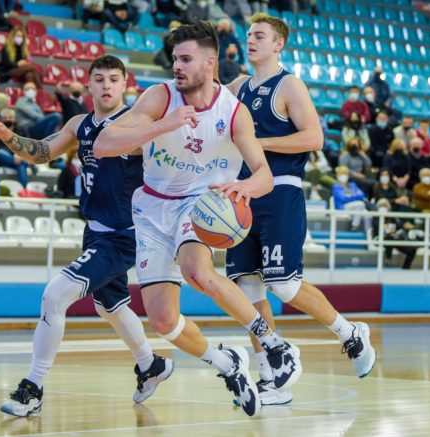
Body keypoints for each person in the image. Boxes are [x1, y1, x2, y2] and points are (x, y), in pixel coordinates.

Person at [95, 21, 303, 417]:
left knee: (197, 270)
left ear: (210, 63)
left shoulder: (234, 112)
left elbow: (263, 175)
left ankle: (273, 344)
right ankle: (228, 363)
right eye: (175, 58)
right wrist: (164, 124)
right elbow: (104, 144)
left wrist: (243, 188)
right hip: (152, 208)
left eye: (186, 59)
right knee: (162, 320)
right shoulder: (160, 97)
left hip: (201, 204)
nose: (177, 66)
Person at [0, 55, 174, 417]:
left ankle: (33, 388)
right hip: (95, 230)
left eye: (113, 79)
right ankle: (150, 365)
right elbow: (43, 152)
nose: (106, 85)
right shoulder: (79, 124)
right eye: (99, 79)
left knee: (55, 296)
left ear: (125, 84)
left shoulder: (136, 124)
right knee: (110, 307)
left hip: (125, 234)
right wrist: (7, 136)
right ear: (89, 84)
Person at [225, 13, 375, 404]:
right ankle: (271, 374)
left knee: (283, 285)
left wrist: (257, 143)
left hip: (280, 189)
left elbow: (314, 137)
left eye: (260, 35)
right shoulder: (238, 86)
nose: (251, 40)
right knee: (247, 289)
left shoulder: (289, 84)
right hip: (243, 194)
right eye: (249, 34)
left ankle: (350, 333)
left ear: (279, 44)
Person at [0, 108, 35, 188]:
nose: (8, 120)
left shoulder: (21, 130)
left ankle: (25, 190)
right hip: (1, 159)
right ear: (0, 120)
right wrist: (16, 154)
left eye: (10, 117)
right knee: (1, 153)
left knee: (21, 166)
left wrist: (19, 155)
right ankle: (27, 163)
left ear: (14, 119)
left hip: (18, 159)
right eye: (5, 118)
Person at [372, 198, 417, 269]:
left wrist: (404, 226)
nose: (384, 208)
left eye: (385, 206)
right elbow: (377, 228)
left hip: (394, 238)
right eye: (381, 206)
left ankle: (406, 268)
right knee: (389, 238)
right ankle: (388, 260)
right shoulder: (375, 217)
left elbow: (398, 226)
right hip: (380, 238)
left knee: (412, 250)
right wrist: (386, 227)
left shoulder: (392, 216)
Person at [333, 166, 371, 232]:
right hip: (343, 208)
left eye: (345, 174)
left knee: (368, 215)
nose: (344, 176)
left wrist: (350, 196)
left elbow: (361, 195)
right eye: (342, 174)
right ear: (338, 175)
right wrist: (354, 196)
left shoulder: (352, 185)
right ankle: (354, 226)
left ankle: (368, 234)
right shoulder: (336, 187)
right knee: (360, 204)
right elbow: (343, 199)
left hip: (356, 208)